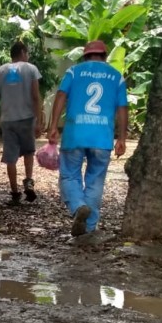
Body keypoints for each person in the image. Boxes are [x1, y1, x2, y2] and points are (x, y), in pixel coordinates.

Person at [47, 40, 128, 236]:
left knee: (69, 175)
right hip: (102, 137)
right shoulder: (116, 77)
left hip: (75, 133)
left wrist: (53, 125)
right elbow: (123, 108)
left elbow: (60, 96)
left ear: (85, 56)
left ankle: (77, 206)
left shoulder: (74, 72)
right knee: (95, 180)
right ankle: (89, 227)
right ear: (105, 56)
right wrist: (122, 138)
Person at [0, 41, 44, 206]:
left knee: (10, 158)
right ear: (23, 52)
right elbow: (36, 96)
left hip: (8, 119)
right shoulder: (31, 69)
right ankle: (29, 181)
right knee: (29, 152)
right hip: (27, 118)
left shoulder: (2, 70)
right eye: (27, 52)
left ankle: (15, 192)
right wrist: (39, 120)